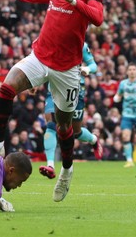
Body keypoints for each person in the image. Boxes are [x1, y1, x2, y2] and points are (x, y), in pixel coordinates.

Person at [0, 0, 103, 202]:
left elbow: (98, 18)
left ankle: (67, 170)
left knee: (64, 126)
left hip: (67, 69)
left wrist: (74, 1)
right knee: (7, 87)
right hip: (41, 56)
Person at [40, 42, 103, 179]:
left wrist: (87, 69)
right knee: (51, 123)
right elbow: (41, 63)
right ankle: (50, 165)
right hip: (54, 87)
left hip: (75, 90)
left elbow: (94, 65)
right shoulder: (53, 40)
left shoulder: (80, 44)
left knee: (75, 131)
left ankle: (93, 139)